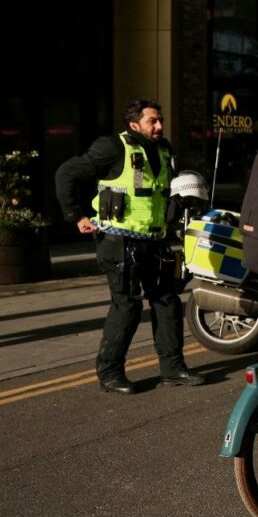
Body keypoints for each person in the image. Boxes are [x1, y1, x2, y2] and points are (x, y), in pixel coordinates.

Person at [55, 99, 207, 394]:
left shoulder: (165, 149)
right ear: (134, 124)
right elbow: (65, 174)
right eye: (153, 121)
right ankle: (110, 374)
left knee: (167, 303)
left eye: (161, 119)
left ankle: (173, 369)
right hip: (119, 242)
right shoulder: (111, 147)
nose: (160, 126)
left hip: (156, 240)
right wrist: (76, 217)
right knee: (126, 306)